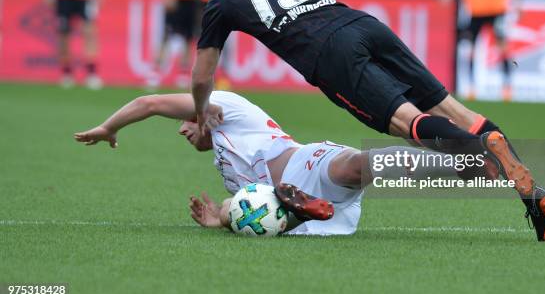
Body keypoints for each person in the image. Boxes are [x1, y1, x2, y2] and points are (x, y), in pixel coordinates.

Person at [190, 0, 545, 241]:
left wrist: (201, 110)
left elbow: (203, 74)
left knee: (407, 122)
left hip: (330, 54)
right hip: (363, 25)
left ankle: (481, 149)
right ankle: (530, 195)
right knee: (454, 110)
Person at [73, 91, 422, 235]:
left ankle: (457, 163)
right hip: (301, 217)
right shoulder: (225, 166)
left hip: (306, 163)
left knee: (353, 166)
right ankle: (302, 207)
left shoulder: (227, 105)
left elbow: (149, 104)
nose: (181, 129)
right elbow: (249, 208)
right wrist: (221, 220)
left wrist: (109, 127)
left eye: (187, 120)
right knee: (238, 203)